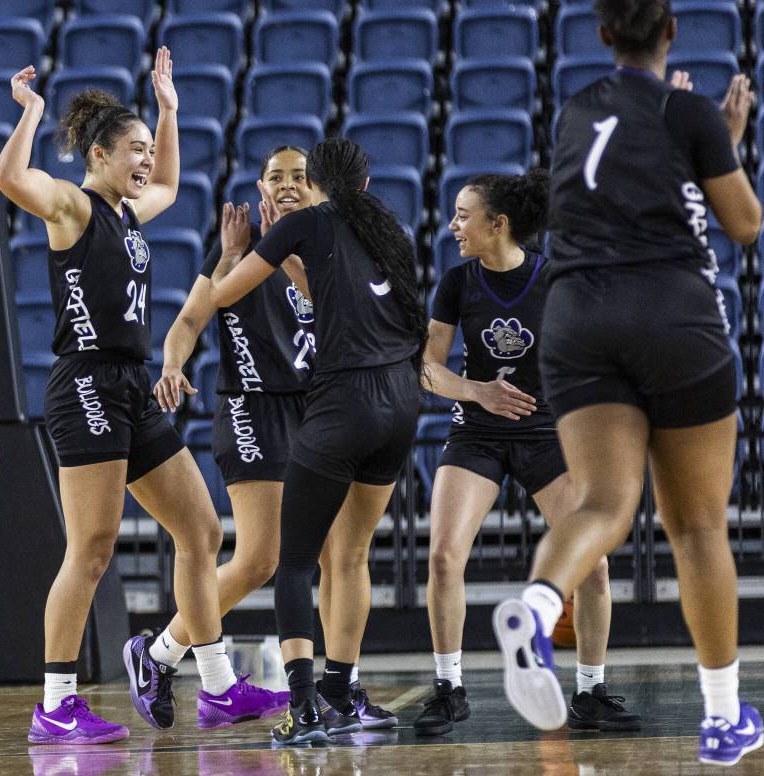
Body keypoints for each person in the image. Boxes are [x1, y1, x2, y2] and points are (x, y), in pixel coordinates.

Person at [490, 0, 762, 767]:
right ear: (669, 31)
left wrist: (698, 150)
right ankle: (720, 718)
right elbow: (742, 223)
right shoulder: (691, 110)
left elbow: (621, 194)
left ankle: (538, 608)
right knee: (699, 527)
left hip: (577, 317)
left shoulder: (576, 111)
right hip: (670, 311)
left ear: (604, 34)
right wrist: (726, 146)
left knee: (604, 502)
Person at [0, 50, 281, 745]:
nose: (148, 161)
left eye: (148, 150)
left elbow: (176, 183)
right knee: (91, 548)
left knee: (203, 531)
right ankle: (55, 704)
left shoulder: (128, 212)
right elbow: (10, 178)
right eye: (136, 150)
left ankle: (216, 687)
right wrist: (31, 113)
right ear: (99, 154)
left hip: (130, 383)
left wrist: (171, 112)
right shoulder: (72, 206)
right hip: (86, 382)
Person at [149, 145, 397, 733]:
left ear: (320, 187)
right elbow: (188, 321)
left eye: (299, 176)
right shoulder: (236, 247)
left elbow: (340, 312)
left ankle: (343, 687)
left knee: (341, 555)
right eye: (275, 176)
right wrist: (172, 365)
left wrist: (285, 245)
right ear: (260, 185)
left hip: (322, 407)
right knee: (261, 558)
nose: (287, 184)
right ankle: (162, 653)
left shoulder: (335, 245)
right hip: (251, 407)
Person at [207, 137, 427, 745]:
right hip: (401, 402)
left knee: (295, 561)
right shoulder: (390, 230)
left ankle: (304, 708)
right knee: (351, 555)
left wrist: (238, 253)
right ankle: (339, 691)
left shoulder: (303, 224)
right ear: (362, 184)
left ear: (318, 184)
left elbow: (221, 296)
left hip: (343, 403)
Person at [415, 172, 639, 736]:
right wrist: (476, 391)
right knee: (443, 557)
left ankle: (590, 693)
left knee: (595, 566)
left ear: (499, 224)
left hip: (546, 436)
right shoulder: (456, 282)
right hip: (477, 434)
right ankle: (449, 688)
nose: (453, 226)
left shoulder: (555, 278)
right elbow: (428, 368)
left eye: (464, 215)